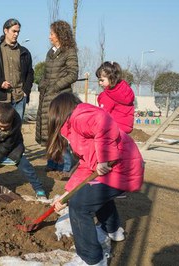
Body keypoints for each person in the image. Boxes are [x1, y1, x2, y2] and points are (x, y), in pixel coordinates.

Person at [48, 92, 144, 266]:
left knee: (79, 205)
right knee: (92, 196)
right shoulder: (74, 128)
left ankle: (92, 259)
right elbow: (86, 165)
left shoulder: (79, 116)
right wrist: (67, 194)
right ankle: (113, 230)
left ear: (59, 112)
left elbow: (103, 121)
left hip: (120, 169)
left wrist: (104, 158)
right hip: (118, 169)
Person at [35, 20, 79, 176]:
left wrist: (56, 86)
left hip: (61, 98)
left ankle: (66, 166)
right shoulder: (50, 52)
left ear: (60, 34)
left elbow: (73, 74)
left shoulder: (70, 52)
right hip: (47, 96)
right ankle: (52, 162)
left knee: (61, 132)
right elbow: (46, 74)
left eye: (51, 34)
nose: (49, 37)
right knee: (49, 129)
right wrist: (42, 84)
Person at [0, 18, 34, 120]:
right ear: (6, 30)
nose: (16, 34)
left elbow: (30, 73)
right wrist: (0, 83)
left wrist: (26, 91)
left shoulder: (25, 52)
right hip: (0, 99)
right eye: (14, 31)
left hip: (19, 98)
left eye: (18, 32)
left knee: (15, 132)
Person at [96, 61, 135, 134]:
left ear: (112, 78)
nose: (100, 83)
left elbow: (102, 115)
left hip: (112, 129)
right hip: (125, 128)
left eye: (102, 80)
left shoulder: (107, 95)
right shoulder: (125, 91)